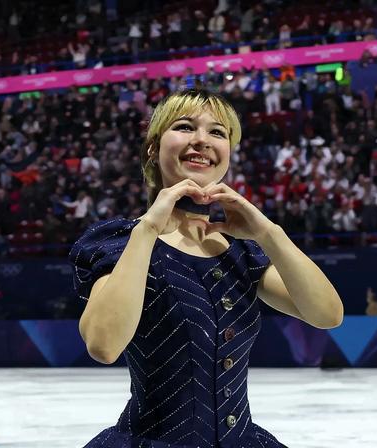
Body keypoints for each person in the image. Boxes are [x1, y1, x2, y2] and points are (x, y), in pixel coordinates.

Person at [69, 89, 344, 447]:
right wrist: (148, 229)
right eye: (184, 127)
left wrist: (268, 232)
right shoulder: (121, 242)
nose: (202, 140)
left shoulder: (243, 253)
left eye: (217, 132)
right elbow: (103, 345)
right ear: (153, 149)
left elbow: (327, 314)